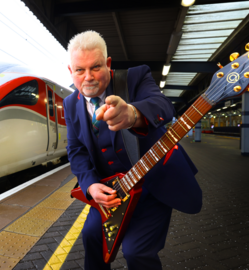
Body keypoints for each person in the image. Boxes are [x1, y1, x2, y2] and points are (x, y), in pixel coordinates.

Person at [63, 30, 202, 269]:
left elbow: (163, 106)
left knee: (136, 252)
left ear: (108, 64)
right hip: (111, 192)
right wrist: (90, 185)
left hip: (152, 186)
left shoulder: (135, 78)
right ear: (70, 71)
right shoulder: (70, 103)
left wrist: (133, 114)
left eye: (95, 67)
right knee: (90, 237)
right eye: (79, 70)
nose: (88, 77)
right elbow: (76, 150)